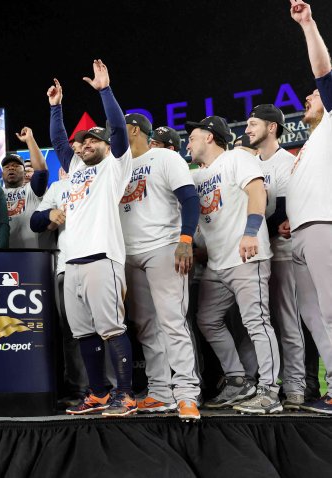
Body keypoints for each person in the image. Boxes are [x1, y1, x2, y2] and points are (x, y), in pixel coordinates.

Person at [46, 61, 137, 417]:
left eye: (90, 140)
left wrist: (105, 91)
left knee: (112, 328)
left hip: (103, 257)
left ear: (104, 144)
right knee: (84, 334)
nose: (83, 145)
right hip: (73, 262)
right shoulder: (78, 168)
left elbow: (117, 128)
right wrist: (56, 107)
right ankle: (97, 393)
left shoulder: (115, 166)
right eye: (81, 141)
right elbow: (57, 140)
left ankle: (125, 394)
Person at [185, 115, 281, 414]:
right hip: (216, 263)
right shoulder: (199, 176)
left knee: (257, 322)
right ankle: (239, 380)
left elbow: (257, 192)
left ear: (210, 137)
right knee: (207, 319)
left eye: (193, 137)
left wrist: (251, 232)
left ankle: (270, 391)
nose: (188, 142)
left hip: (246, 256)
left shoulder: (236, 158)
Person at [118, 113, 202, 420]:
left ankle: (187, 394)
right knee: (145, 326)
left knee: (172, 322)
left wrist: (185, 239)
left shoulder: (165, 158)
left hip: (164, 246)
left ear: (135, 129)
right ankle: (160, 392)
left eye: (120, 127)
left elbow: (190, 199)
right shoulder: (119, 164)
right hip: (129, 253)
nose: (115, 131)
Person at [284, 0, 332, 415]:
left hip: (324, 227)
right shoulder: (308, 144)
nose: (309, 96)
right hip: (300, 234)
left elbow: (322, 72)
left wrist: (308, 24)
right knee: (314, 320)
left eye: (314, 95)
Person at [245, 103, 306, 410]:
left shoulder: (285, 161)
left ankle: (295, 386)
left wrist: (251, 236)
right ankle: (267, 384)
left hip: (280, 253)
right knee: (261, 323)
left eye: (253, 124)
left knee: (287, 321)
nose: (247, 129)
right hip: (258, 255)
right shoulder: (250, 161)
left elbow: (281, 211)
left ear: (272, 127)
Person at [31, 167, 89, 407]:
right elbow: (35, 222)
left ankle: (112, 387)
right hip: (66, 264)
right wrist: (50, 214)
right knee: (71, 332)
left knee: (107, 328)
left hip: (102, 259)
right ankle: (79, 390)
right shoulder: (59, 187)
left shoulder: (106, 174)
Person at [1, 127, 48, 249]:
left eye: (16, 166)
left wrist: (29, 140)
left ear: (25, 172)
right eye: (7, 166)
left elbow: (41, 171)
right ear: (2, 173)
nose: (11, 168)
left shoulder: (32, 190)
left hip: (30, 256)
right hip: (1, 255)